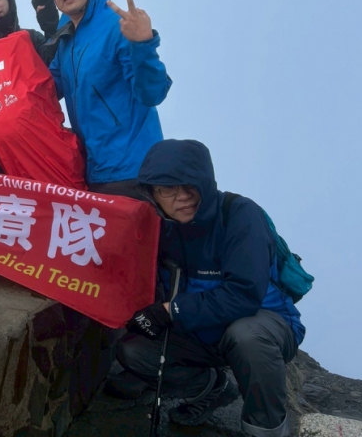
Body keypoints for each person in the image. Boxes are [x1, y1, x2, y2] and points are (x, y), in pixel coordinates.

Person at [117, 139, 304, 437]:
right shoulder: (163, 231)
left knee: (247, 337)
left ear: (205, 182)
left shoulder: (241, 214)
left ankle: (266, 430)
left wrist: (169, 311)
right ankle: (211, 389)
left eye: (190, 185)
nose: (182, 197)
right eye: (167, 189)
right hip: (203, 333)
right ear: (153, 194)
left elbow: (244, 295)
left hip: (264, 322)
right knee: (133, 351)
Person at [42, 0, 172, 196]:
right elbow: (49, 86)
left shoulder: (117, 26)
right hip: (95, 172)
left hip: (137, 170)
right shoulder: (65, 33)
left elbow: (153, 93)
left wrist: (143, 44)